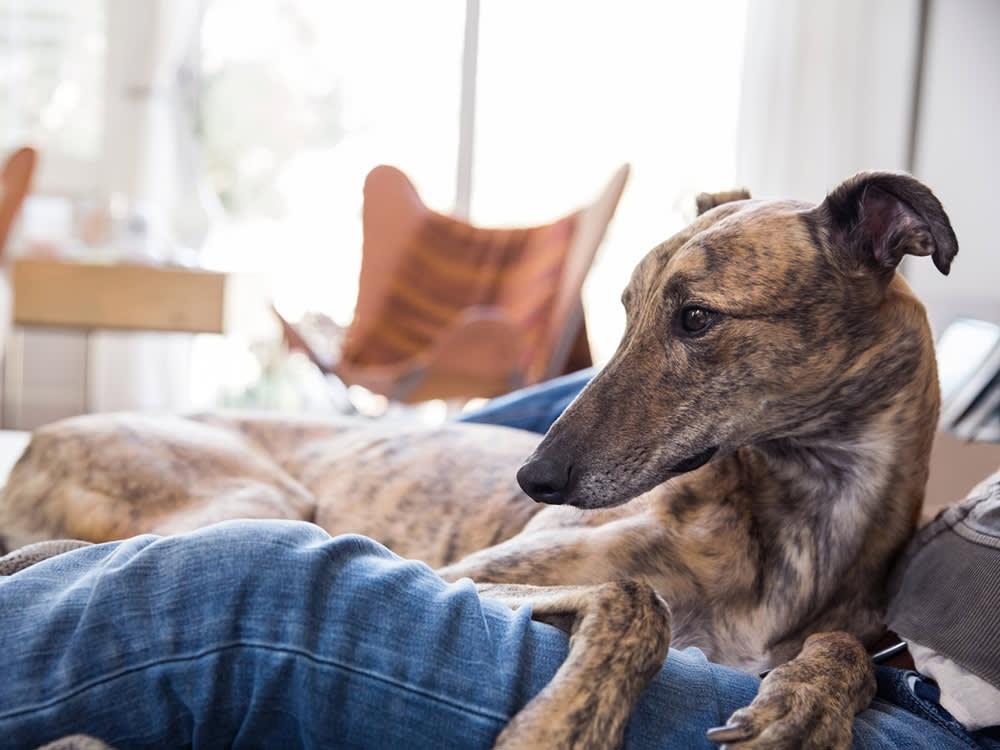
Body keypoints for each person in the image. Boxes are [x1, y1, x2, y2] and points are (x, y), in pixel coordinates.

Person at [1, 372, 997, 749]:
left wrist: (840, 665)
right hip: (234, 458)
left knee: (254, 576)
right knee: (244, 527)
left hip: (925, 706)